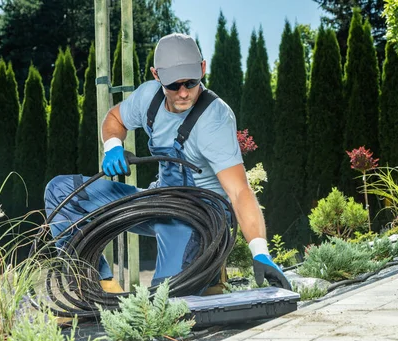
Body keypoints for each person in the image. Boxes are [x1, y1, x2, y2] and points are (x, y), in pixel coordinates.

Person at [44, 33, 291, 294]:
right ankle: (100, 286)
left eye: (191, 82)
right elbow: (115, 118)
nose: (184, 93)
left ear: (203, 69)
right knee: (62, 191)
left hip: (201, 216)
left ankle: (207, 276)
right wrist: (114, 146)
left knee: (168, 295)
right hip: (160, 198)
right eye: (174, 85)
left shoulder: (215, 119)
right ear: (156, 75)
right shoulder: (148, 98)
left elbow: (239, 191)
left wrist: (260, 252)